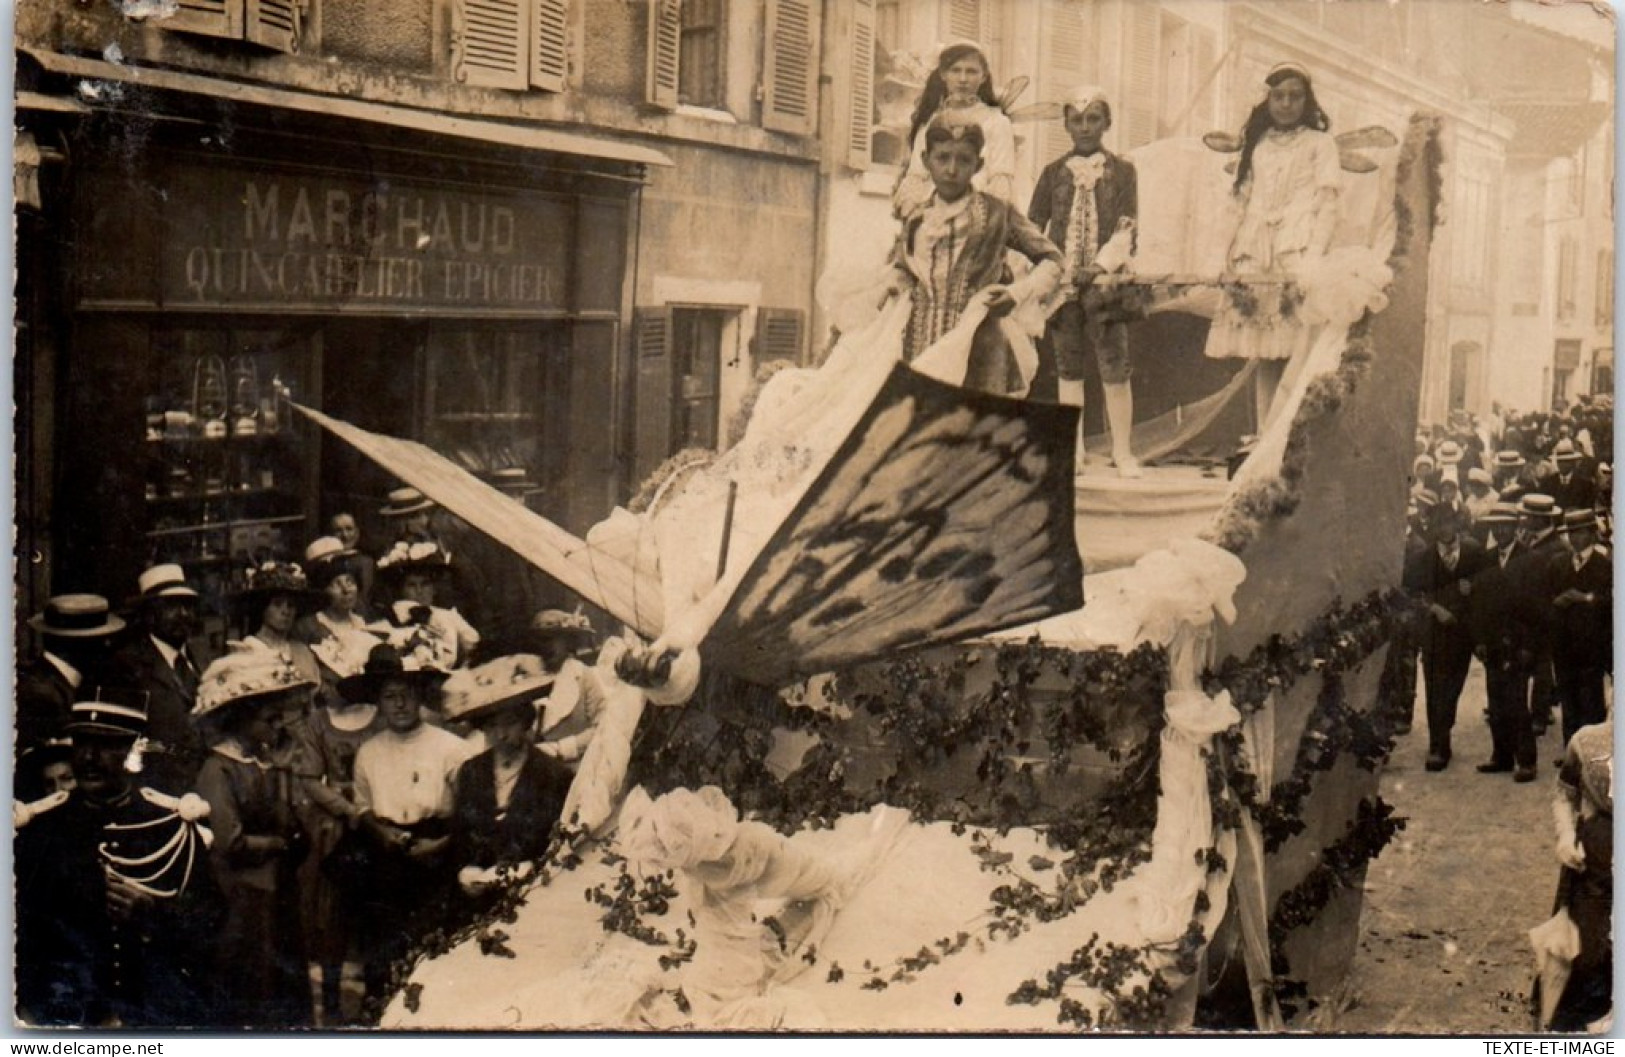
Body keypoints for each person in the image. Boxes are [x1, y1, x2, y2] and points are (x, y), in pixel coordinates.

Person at [16, 690, 222, 1027]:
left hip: (150, 1010)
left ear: (133, 752)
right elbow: (23, 938)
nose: (89, 758)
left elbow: (211, 919)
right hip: (68, 1013)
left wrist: (153, 912)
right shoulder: (43, 831)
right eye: (81, 744)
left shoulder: (171, 825)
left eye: (107, 746)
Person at [1203, 62, 1341, 431]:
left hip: (1296, 251)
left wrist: (1313, 259)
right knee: (1264, 352)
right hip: (1256, 250)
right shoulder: (1258, 144)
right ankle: (1265, 436)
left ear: (1307, 101)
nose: (1286, 104)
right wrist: (1224, 256)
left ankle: (1289, 437)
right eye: (1278, 96)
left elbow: (1328, 204)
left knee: (1296, 349)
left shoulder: (1320, 143)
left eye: (1295, 96)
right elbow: (1238, 202)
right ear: (1268, 101)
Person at [888, 118, 1062, 395]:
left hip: (981, 342)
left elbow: (1053, 260)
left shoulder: (997, 212)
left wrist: (1017, 294)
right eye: (942, 158)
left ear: (978, 165)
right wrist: (895, 287)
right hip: (919, 339)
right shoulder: (916, 218)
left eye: (964, 160)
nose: (952, 169)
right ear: (925, 160)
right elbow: (901, 268)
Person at [192, 645, 316, 1027]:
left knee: (283, 980)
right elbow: (230, 841)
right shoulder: (218, 769)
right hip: (240, 896)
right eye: (269, 719)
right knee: (250, 982)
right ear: (242, 719)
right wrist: (277, 844)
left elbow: (289, 825)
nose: (276, 727)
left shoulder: (264, 763)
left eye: (279, 719)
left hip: (276, 891)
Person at [341, 644, 474, 1003]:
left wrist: (441, 845)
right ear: (378, 703)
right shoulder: (369, 751)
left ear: (419, 698)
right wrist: (382, 832)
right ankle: (382, 1014)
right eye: (389, 696)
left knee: (433, 943)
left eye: (406, 695)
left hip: (438, 850)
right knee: (383, 942)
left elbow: (469, 810)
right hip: (386, 852)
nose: (399, 704)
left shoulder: (451, 748)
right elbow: (363, 806)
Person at [1028, 85, 1141, 475]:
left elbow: (1128, 225)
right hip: (1063, 285)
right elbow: (1033, 228)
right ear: (1066, 125)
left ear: (1107, 123)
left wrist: (1101, 266)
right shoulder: (1052, 173)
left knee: (1114, 362)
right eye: (1077, 120)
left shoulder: (1123, 171)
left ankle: (1122, 451)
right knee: (1068, 364)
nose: (1085, 127)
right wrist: (1048, 266)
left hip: (1105, 284)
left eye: (1094, 118)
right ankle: (1072, 450)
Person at [444, 657, 574, 920]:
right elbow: (460, 833)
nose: (500, 734)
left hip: (534, 895)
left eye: (509, 723)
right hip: (475, 899)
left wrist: (531, 869)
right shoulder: (472, 771)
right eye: (492, 726)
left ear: (526, 722)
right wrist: (467, 871)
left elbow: (560, 841)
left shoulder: (553, 774)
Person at [107, 564, 209, 791]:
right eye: (171, 606)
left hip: (207, 786)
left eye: (187, 606)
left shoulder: (204, 659)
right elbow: (125, 743)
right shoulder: (127, 665)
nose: (183, 614)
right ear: (149, 614)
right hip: (158, 789)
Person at [1403, 503, 1487, 771]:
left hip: (1463, 633)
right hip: (1434, 633)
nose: (1445, 530)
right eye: (1440, 525)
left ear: (1457, 525)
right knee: (1435, 688)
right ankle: (1438, 746)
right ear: (1434, 528)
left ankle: (1444, 725)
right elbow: (1410, 594)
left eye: (1449, 523)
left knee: (1453, 688)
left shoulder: (1474, 552)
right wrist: (1433, 608)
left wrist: (1472, 588)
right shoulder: (1423, 558)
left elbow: (1489, 584)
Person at [891, 40, 1017, 219]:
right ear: (943, 74)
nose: (963, 79)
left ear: (983, 76)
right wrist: (913, 217)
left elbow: (1000, 183)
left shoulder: (997, 122)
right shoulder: (931, 122)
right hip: (932, 214)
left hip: (976, 215)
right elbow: (916, 177)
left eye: (971, 71)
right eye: (955, 70)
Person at [1542, 716, 1612, 1030]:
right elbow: (1565, 793)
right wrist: (1566, 835)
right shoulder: (1586, 741)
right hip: (1596, 865)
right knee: (1585, 954)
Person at [1469, 503, 1538, 781]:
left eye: (1506, 526)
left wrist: (1528, 646)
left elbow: (1537, 609)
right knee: (1496, 701)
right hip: (1493, 643)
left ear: (1516, 528)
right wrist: (1480, 641)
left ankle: (1527, 760)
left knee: (1517, 702)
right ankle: (1502, 755)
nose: (1500, 531)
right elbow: (1478, 605)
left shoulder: (1530, 559)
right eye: (1496, 526)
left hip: (1519, 643)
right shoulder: (1485, 559)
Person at [18, 594, 123, 754]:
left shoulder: (59, 682)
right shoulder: (40, 695)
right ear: (70, 643)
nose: (107, 644)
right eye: (98, 638)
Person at [1544, 510, 1611, 746]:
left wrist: (1585, 598)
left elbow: (1610, 601)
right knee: (1568, 695)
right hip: (1564, 642)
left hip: (1592, 643)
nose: (1575, 538)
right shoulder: (1558, 563)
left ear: (1592, 534)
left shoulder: (1604, 564)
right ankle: (1571, 749)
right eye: (1571, 532)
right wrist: (1557, 601)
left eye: (1581, 532)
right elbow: (1546, 597)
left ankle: (1592, 751)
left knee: (1590, 698)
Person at [372, 539, 481, 670]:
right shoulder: (390, 618)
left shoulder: (449, 616)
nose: (419, 591)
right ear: (401, 590)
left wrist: (462, 670)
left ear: (434, 589)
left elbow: (474, 646)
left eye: (425, 584)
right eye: (411, 585)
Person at [532, 610, 610, 770]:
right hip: (535, 771)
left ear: (567, 641)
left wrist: (561, 748)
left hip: (575, 769)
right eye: (541, 640)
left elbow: (603, 727)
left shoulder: (583, 676)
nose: (547, 646)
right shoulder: (527, 677)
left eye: (553, 639)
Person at [234, 560, 325, 688]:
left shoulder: (302, 651)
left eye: (291, 605)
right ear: (263, 608)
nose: (285, 611)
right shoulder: (247, 650)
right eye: (277, 604)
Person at [328, 511, 378, 619]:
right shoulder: (326, 563)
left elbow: (365, 596)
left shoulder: (366, 562)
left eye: (349, 529)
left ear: (357, 532)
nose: (345, 535)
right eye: (338, 531)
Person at [1537, 439, 1597, 515]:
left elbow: (1589, 511)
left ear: (1573, 462)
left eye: (1566, 461)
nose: (1562, 465)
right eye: (1559, 461)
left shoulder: (1586, 485)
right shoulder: (1547, 483)